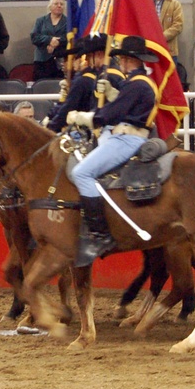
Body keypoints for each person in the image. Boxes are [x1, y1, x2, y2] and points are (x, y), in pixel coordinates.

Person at [65, 35, 158, 266]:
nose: (120, 64)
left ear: (127, 60)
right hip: (123, 134)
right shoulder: (140, 83)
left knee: (81, 173)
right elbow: (124, 106)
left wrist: (83, 117)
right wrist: (114, 95)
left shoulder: (137, 84)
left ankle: (100, 234)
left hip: (127, 139)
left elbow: (111, 114)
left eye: (122, 60)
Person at [46, 32, 122, 132]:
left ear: (98, 54)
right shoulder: (106, 74)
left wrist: (50, 129)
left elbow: (105, 110)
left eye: (89, 56)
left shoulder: (107, 77)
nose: (87, 60)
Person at [151, 0, 185, 83]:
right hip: (150, 51)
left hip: (169, 51)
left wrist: (160, 37)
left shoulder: (174, 4)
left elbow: (178, 26)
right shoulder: (145, 4)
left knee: (169, 83)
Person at [30, 0, 67, 80]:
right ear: (50, 6)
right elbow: (34, 37)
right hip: (41, 60)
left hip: (60, 61)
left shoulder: (68, 21)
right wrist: (50, 40)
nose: (59, 6)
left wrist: (57, 42)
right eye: (56, 3)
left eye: (61, 4)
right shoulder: (41, 20)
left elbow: (69, 37)